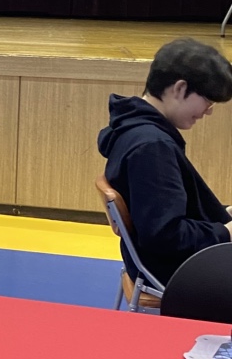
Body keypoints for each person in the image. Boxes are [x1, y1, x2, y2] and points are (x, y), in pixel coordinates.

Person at [98, 38, 232, 286]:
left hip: (157, 263)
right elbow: (165, 236)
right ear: (180, 89)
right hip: (176, 271)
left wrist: (222, 215)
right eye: (208, 100)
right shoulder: (152, 147)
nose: (209, 111)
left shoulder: (131, 128)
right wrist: (225, 232)